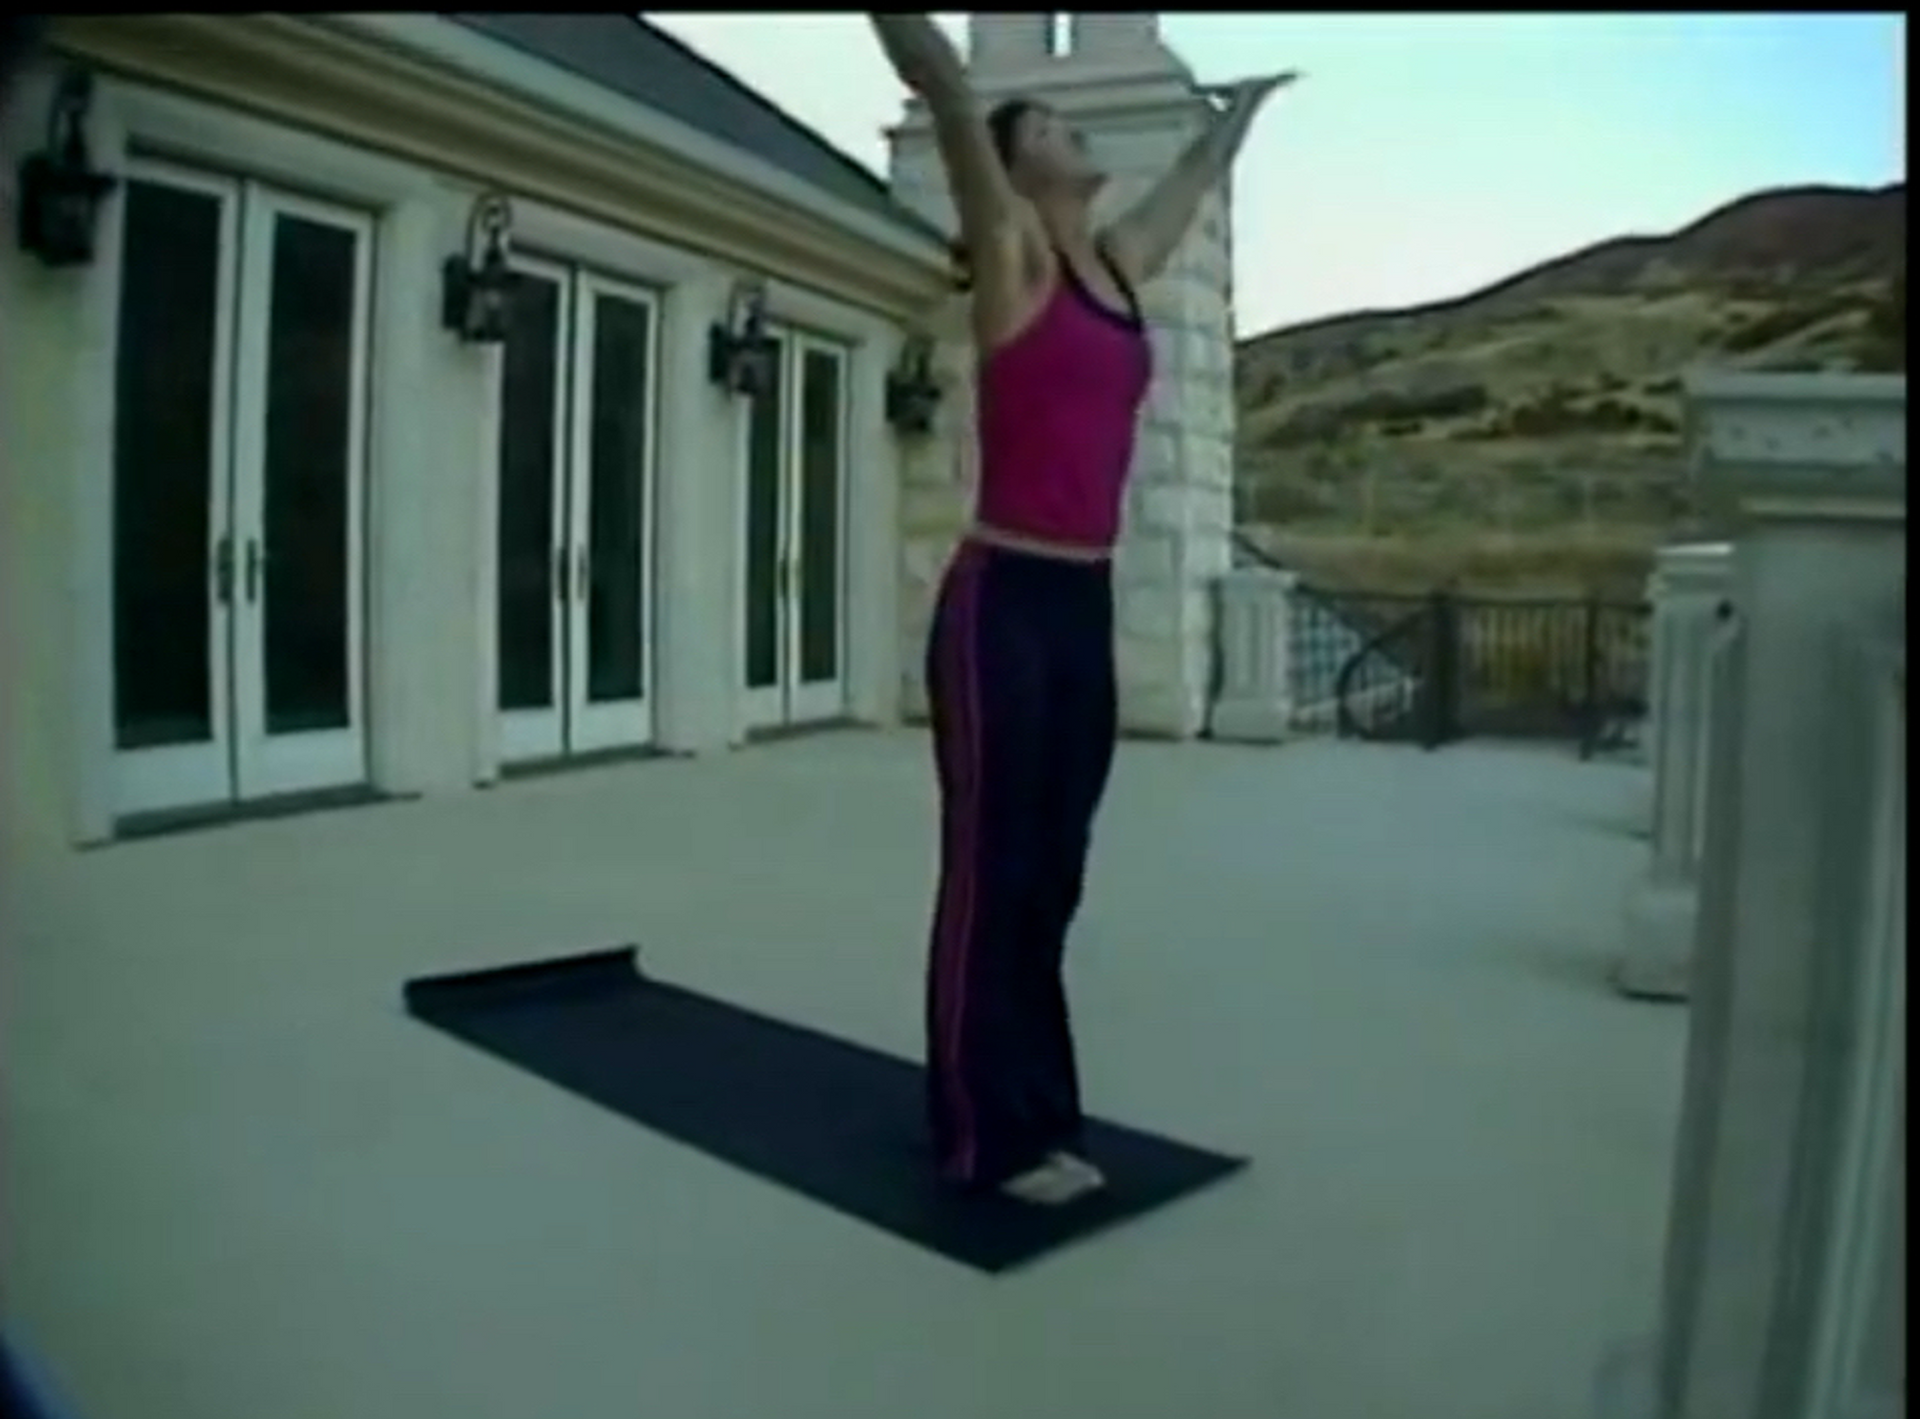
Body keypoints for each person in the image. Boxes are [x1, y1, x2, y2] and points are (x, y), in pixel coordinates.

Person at [869, 15, 1296, 1206]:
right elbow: (956, 104)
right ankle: (976, 1135)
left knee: (1054, 876)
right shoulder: (1015, 262)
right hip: (1001, 598)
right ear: (1016, 168)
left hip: (1081, 602)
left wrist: (1241, 115)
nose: (1078, 131)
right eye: (1053, 127)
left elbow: (1194, 184)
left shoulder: (1113, 265)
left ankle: (1043, 1114)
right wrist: (930, 65)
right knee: (990, 873)